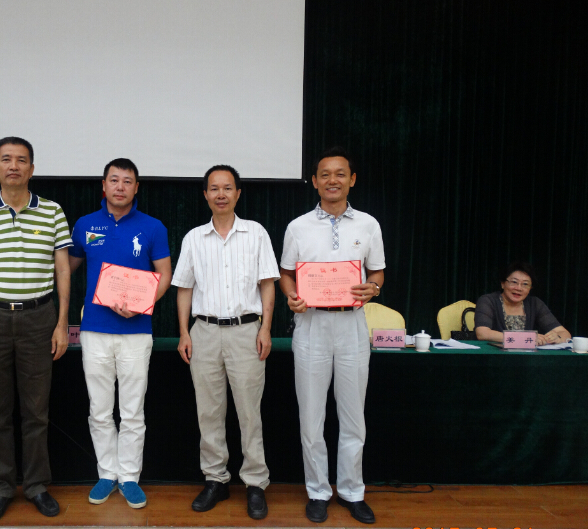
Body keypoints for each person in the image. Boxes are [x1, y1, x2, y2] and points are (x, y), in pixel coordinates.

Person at [0, 136, 72, 524]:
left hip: (40, 319)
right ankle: (2, 488)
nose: (14, 166)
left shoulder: (52, 211)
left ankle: (37, 486)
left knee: (37, 411)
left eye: (22, 160)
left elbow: (62, 270)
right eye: (6, 159)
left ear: (32, 169)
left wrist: (61, 323)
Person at [278, 146, 384, 525]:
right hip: (311, 326)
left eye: (340, 174)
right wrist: (291, 295)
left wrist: (373, 287)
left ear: (352, 179)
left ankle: (353, 491)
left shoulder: (368, 225)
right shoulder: (298, 227)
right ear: (314, 181)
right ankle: (318, 491)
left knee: (353, 415)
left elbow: (377, 271)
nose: (332, 180)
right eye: (325, 174)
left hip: (352, 326)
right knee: (311, 416)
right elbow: (286, 273)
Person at [172, 165, 279, 520]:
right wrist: (184, 332)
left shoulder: (256, 233)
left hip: (246, 331)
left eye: (227, 188)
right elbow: (184, 288)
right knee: (209, 410)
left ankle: (255, 483)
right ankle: (215, 479)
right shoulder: (194, 238)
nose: (221, 194)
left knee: (249, 411)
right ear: (205, 194)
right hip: (203, 332)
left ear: (238, 193)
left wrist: (265, 329)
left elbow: (267, 283)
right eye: (214, 188)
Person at [69, 158, 172, 509]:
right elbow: (66, 269)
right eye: (114, 180)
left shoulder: (153, 227)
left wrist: (144, 303)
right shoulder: (85, 225)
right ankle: (106, 474)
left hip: (137, 331)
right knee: (99, 409)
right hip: (95, 330)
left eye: (127, 181)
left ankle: (129, 477)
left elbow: (165, 274)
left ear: (136, 187)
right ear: (103, 185)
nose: (120, 187)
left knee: (132, 411)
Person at [474, 261, 570, 345]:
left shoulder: (535, 303)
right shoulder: (488, 301)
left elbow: (564, 333)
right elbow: (482, 333)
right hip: (494, 356)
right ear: (503, 284)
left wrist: (557, 338)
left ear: (530, 288)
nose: (519, 288)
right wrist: (525, 338)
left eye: (525, 284)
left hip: (526, 357)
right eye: (514, 282)